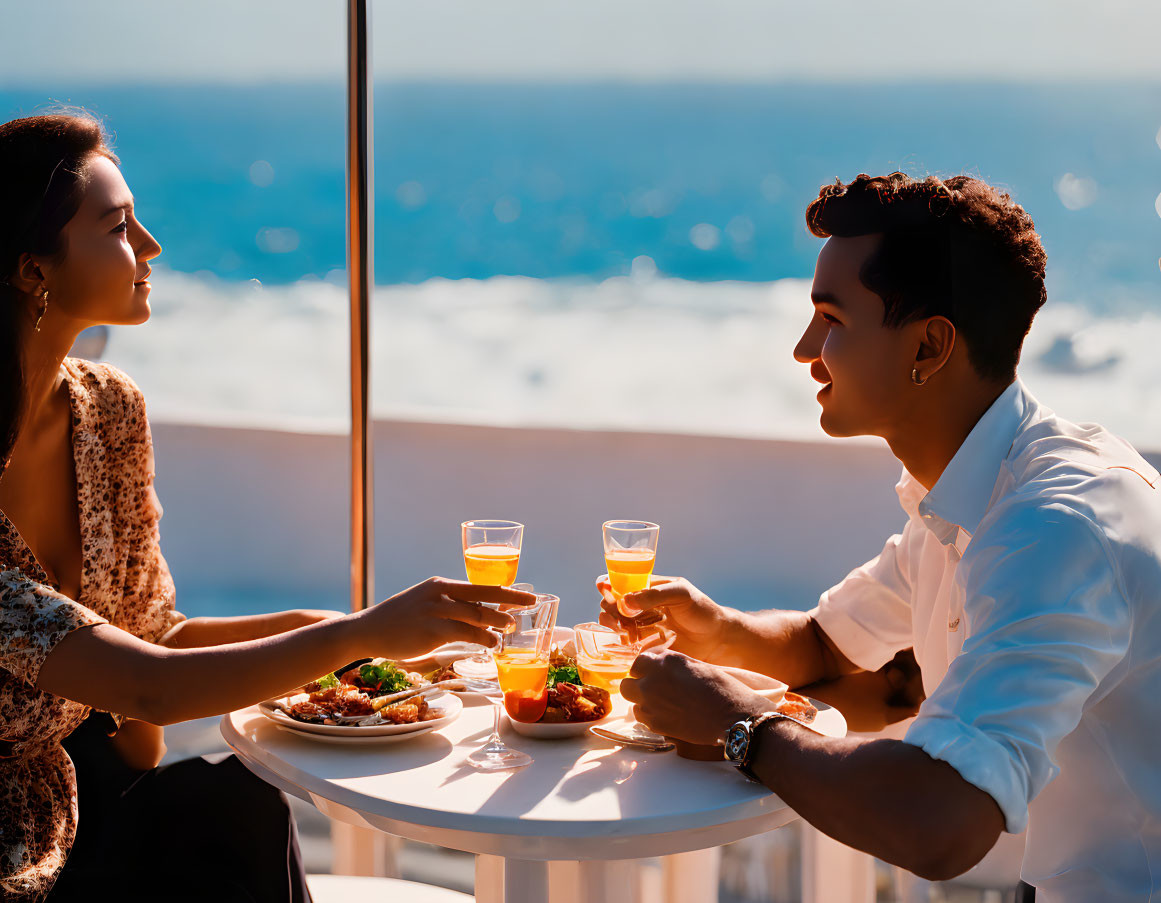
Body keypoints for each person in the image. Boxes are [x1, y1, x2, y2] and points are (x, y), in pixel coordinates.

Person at [0, 111, 534, 902]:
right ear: (31, 269)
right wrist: (364, 631)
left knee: (236, 808)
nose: (150, 247)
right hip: (15, 855)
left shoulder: (110, 411)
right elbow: (148, 687)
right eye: (118, 227)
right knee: (227, 818)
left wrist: (349, 636)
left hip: (97, 804)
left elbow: (158, 634)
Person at [607, 172, 1161, 902]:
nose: (805, 349)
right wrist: (710, 627)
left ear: (928, 347)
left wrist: (736, 723)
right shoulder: (968, 492)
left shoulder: (1053, 526)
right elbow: (831, 651)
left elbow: (940, 824)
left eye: (830, 318)